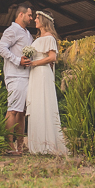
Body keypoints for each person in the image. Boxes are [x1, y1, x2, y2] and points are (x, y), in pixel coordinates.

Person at [26, 10, 68, 156]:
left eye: (37, 18)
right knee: (37, 104)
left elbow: (52, 57)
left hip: (42, 72)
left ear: (44, 20)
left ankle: (47, 144)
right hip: (35, 73)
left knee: (43, 103)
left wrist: (34, 63)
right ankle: (37, 144)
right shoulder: (38, 38)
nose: (35, 20)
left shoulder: (49, 38)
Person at [0, 2, 34, 154]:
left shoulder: (27, 33)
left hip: (26, 76)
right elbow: (0, 48)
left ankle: (20, 145)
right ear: (21, 14)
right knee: (12, 110)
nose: (31, 18)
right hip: (15, 75)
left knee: (21, 112)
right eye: (29, 15)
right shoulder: (12, 30)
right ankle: (8, 145)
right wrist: (18, 60)